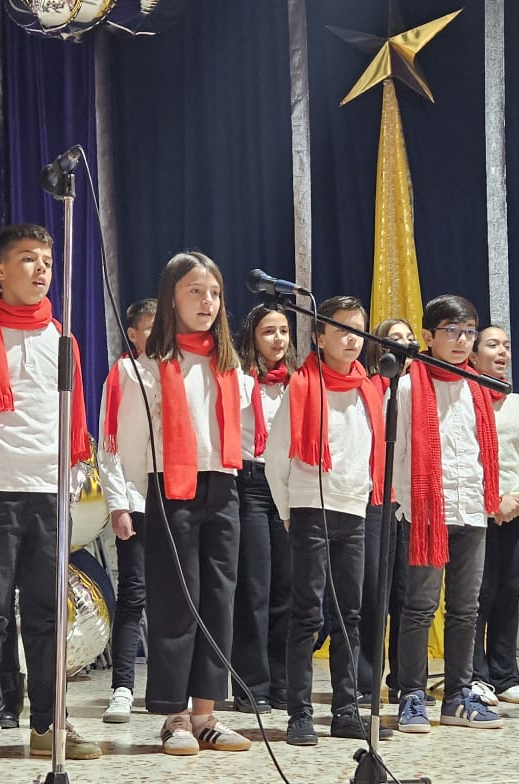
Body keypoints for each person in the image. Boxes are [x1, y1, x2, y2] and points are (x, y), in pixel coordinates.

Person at [0, 224, 103, 770]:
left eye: (46, 261)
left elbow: (69, 418)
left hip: (48, 493)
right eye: (26, 259)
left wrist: (64, 480)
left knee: (47, 614)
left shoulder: (61, 335)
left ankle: (49, 722)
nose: (39, 270)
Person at [113, 251, 255, 754]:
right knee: (178, 602)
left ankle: (206, 713)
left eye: (214, 292)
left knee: (219, 599)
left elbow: (246, 435)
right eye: (195, 291)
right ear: (172, 296)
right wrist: (127, 500)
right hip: (170, 488)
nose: (207, 301)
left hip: (223, 486)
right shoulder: (144, 366)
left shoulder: (230, 365)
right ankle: (173, 715)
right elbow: (125, 443)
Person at [390, 295, 505, 735]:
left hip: (471, 510)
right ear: (428, 336)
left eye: (468, 333)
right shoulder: (407, 386)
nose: (461, 342)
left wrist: (487, 498)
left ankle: (458, 695)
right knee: (420, 607)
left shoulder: (478, 386)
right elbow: (400, 452)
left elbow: (480, 452)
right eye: (451, 332)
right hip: (425, 512)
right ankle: (412, 694)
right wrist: (407, 503)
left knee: (465, 608)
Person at [267, 295, 379, 746]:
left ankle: (346, 707)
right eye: (342, 330)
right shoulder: (301, 386)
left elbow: (371, 450)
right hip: (310, 507)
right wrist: (287, 509)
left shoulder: (369, 388)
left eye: (358, 330)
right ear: (319, 336)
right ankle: (299, 711)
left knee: (348, 615)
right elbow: (277, 458)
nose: (352, 339)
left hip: (353, 509)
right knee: (306, 613)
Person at [469, 324, 519, 707]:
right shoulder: (463, 398)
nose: (502, 353)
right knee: (478, 594)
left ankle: (505, 674)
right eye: (492, 345)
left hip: (515, 511)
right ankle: (475, 675)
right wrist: (489, 500)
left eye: (506, 346)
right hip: (476, 513)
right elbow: (464, 456)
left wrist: (517, 498)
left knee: (508, 592)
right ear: (474, 354)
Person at [228, 302, 293, 712]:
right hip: (250, 482)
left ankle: (283, 680)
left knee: (287, 588)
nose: (278, 340)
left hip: (287, 485)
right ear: (253, 336)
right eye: (270, 331)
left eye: (284, 331)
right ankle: (252, 684)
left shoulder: (296, 382)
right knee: (254, 589)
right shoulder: (237, 377)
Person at [97, 298, 155, 724]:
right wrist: (119, 504)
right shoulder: (120, 375)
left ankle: (174, 688)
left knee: (180, 598)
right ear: (133, 333)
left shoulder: (181, 370)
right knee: (134, 596)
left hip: (177, 501)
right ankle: (122, 687)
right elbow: (109, 447)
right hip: (136, 500)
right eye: (148, 327)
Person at [357, 317, 413, 717]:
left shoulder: (420, 391)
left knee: (406, 596)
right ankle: (365, 683)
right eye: (395, 340)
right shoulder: (368, 388)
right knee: (374, 594)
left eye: (410, 340)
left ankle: (403, 681)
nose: (405, 345)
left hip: (411, 501)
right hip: (375, 500)